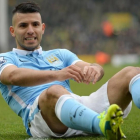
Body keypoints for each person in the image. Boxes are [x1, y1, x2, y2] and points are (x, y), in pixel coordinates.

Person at [0, 2, 139, 140]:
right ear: (12, 31)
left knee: (131, 72)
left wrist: (95, 69)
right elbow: (11, 76)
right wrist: (56, 74)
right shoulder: (5, 59)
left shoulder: (60, 54)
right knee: (54, 90)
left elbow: (92, 66)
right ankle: (102, 124)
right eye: (23, 25)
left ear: (42, 28)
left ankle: (96, 121)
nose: (30, 30)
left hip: (75, 108)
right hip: (43, 118)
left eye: (35, 24)